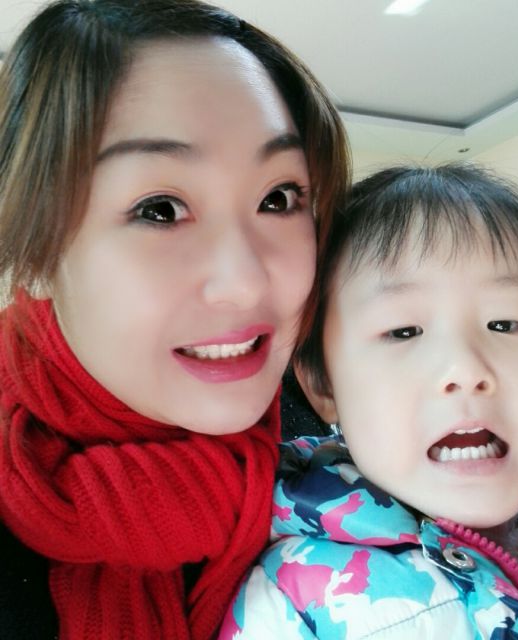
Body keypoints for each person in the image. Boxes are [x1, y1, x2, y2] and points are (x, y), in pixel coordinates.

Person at [0, 1, 349, 638]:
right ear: (36, 254)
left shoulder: (339, 429)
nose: (245, 283)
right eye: (159, 209)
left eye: (279, 199)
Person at [221, 165, 518, 639]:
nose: (466, 369)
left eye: (504, 325)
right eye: (404, 332)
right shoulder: (292, 602)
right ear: (324, 387)